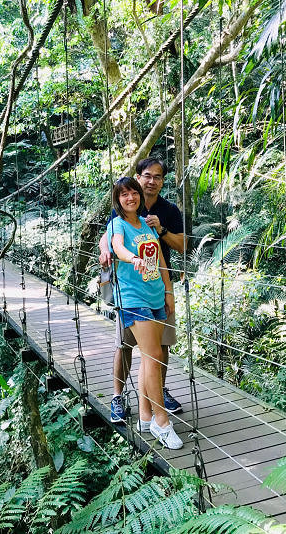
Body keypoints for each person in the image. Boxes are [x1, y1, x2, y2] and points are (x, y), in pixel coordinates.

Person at [99, 158, 186, 422]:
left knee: (160, 348)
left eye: (158, 177)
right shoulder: (123, 209)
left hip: (159, 287)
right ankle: (119, 397)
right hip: (131, 289)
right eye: (147, 175)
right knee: (125, 344)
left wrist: (161, 229)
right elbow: (111, 237)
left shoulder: (168, 210)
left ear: (162, 181)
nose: (152, 181)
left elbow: (182, 245)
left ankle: (154, 399)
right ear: (138, 178)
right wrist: (106, 251)